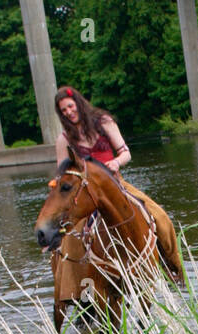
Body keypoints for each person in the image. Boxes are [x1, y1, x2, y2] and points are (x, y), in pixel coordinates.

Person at [53, 87, 184, 283]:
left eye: (70, 106)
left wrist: (116, 162)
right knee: (69, 238)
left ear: (78, 103)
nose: (68, 112)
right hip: (85, 192)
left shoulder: (104, 122)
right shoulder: (64, 139)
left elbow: (125, 152)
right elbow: (63, 171)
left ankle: (173, 268)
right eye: (63, 111)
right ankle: (73, 288)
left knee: (161, 217)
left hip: (115, 184)